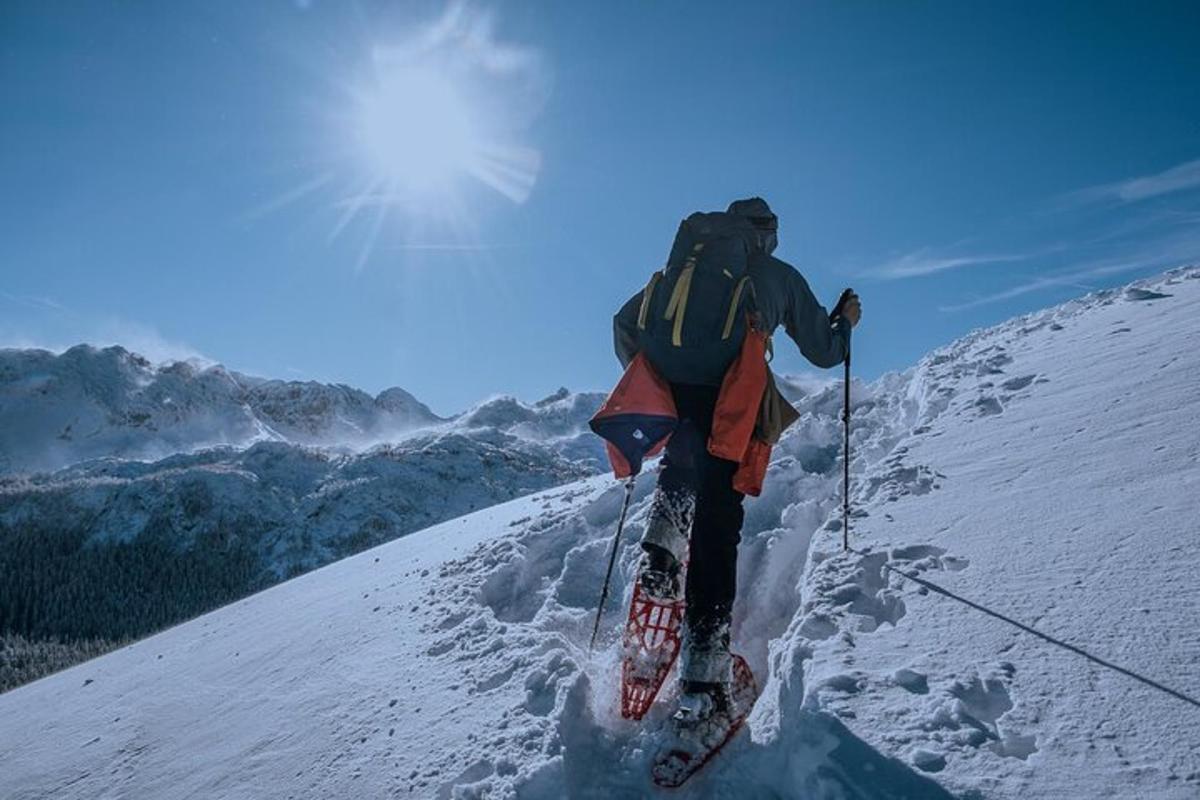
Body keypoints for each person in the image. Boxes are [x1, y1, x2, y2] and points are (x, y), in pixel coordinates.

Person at [611, 197, 862, 727]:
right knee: (717, 531)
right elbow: (823, 351)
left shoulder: (683, 268)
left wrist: (655, 382)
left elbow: (625, 322)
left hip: (673, 401)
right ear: (766, 235)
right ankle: (703, 680)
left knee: (678, 476)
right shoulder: (775, 274)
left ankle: (659, 561)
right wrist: (845, 326)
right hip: (728, 405)